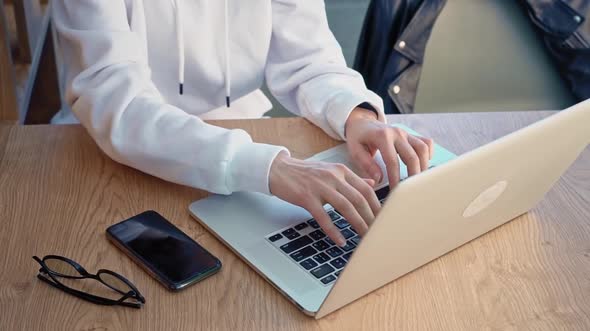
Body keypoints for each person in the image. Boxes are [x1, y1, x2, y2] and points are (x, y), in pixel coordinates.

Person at [52, 0, 435, 246]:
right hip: (103, 157)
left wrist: (356, 114)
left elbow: (309, 58)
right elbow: (117, 101)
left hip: (241, 142)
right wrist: (270, 167)